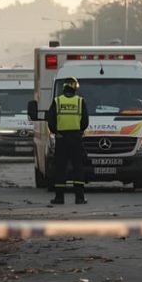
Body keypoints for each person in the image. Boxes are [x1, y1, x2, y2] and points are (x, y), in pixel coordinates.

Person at [46, 77, 89, 205]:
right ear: (75, 87)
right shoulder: (80, 101)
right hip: (76, 139)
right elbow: (85, 121)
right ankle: (80, 198)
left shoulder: (57, 101)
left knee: (60, 168)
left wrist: (57, 132)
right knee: (78, 168)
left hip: (61, 139)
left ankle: (59, 198)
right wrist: (77, 131)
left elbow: (51, 120)